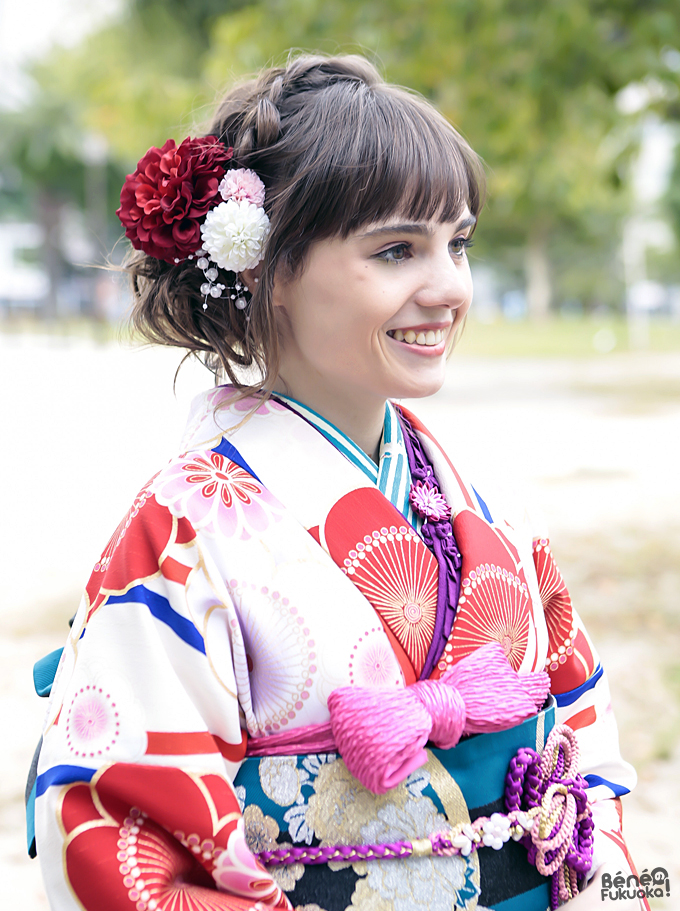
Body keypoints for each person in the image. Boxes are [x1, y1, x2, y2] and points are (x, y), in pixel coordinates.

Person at [29, 54, 645, 911]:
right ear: (268, 269)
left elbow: (585, 742)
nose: (449, 288)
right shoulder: (182, 532)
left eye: (457, 244)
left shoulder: (488, 497)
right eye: (397, 250)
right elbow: (123, 845)